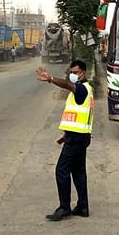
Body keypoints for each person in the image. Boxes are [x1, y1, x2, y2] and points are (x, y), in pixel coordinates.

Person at [36, 59, 94, 221]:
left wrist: (51, 79)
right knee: (78, 172)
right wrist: (66, 134)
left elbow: (69, 85)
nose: (73, 75)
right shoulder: (86, 90)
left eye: (76, 72)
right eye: (72, 72)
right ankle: (83, 207)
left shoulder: (81, 89)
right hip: (79, 136)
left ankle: (64, 207)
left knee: (61, 170)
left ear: (84, 73)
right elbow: (77, 115)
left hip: (77, 138)